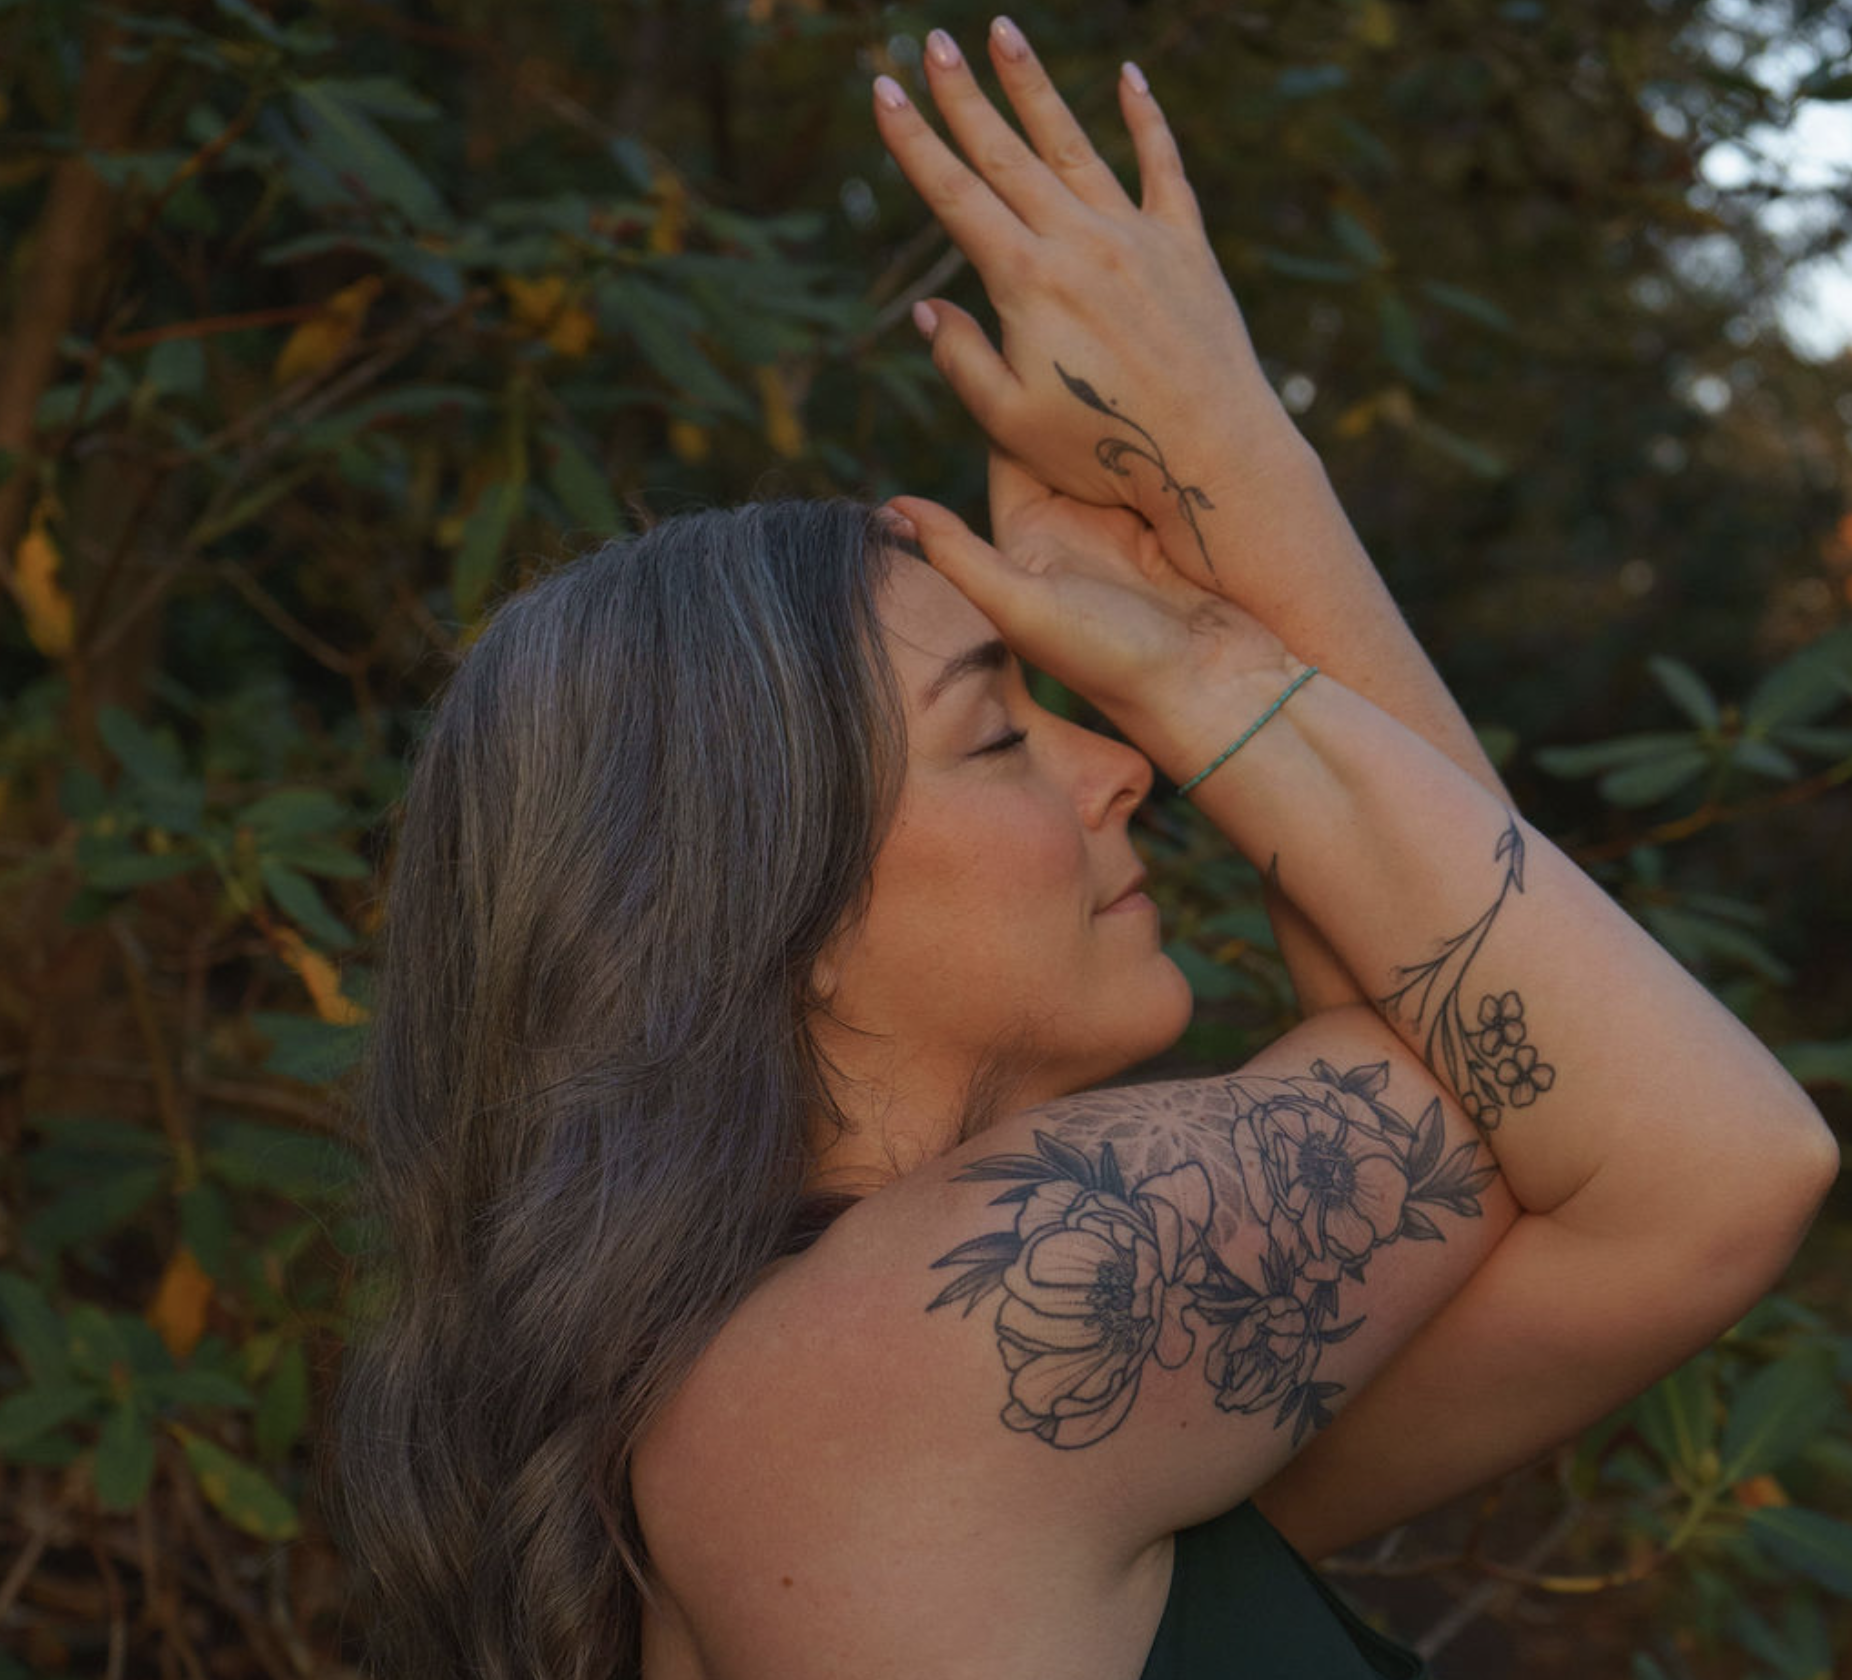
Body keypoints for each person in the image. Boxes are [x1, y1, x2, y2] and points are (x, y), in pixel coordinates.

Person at [333, 19, 1840, 1680]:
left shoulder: (928, 1406)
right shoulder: (920, 1361)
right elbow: (1684, 1145)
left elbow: (1564, 1121)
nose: (1128, 764)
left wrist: (1219, 534)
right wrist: (1227, 513)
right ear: (762, 915)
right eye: (996, 734)